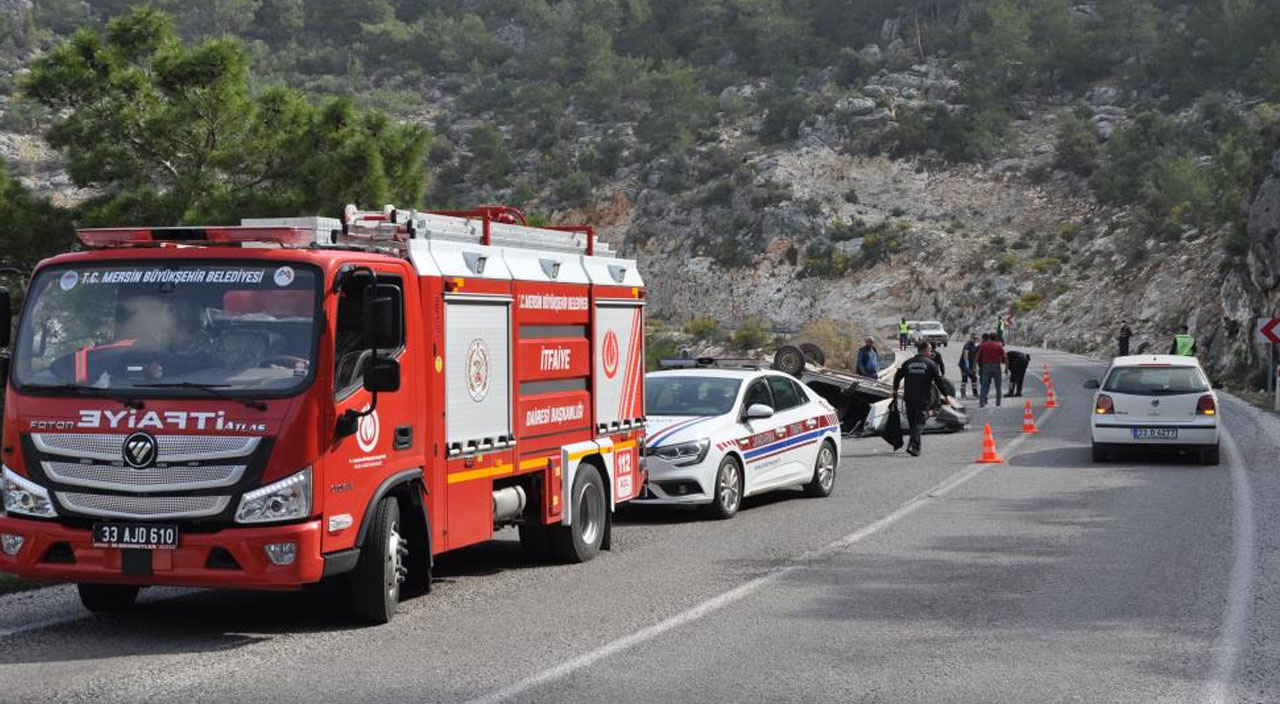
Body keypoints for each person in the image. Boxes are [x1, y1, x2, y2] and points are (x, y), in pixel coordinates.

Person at [893, 341, 949, 457]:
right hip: (923, 399)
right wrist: (946, 395)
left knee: (913, 422)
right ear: (924, 350)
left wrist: (895, 389)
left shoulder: (908, 363)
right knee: (919, 422)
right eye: (929, 350)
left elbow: (897, 375)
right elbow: (939, 382)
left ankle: (916, 448)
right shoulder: (931, 364)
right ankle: (912, 445)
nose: (931, 352)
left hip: (909, 398)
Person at [976, 332, 1007, 408]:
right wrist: (1006, 368)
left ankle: (982, 402)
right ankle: (998, 403)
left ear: (989, 338)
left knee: (984, 386)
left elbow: (978, 355)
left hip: (986, 367)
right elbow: (1005, 357)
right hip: (996, 366)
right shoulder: (999, 345)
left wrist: (974, 365)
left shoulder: (984, 345)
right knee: (998, 386)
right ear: (996, 338)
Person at [959, 333, 980, 398]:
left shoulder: (974, 345)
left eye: (976, 338)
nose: (975, 339)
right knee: (967, 378)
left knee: (973, 378)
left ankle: (973, 392)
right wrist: (966, 363)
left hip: (970, 365)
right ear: (971, 338)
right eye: (974, 338)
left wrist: (975, 365)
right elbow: (966, 353)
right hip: (964, 364)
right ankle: (965, 392)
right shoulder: (968, 345)